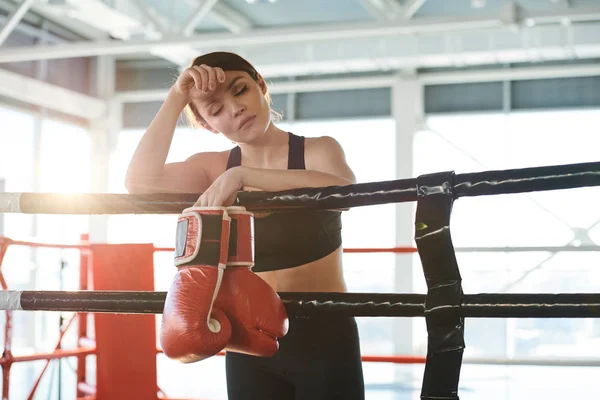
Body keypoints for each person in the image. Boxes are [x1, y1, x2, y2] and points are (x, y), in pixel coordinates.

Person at [125, 51, 365, 399]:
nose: (235, 109)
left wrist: (244, 177)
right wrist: (178, 96)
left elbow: (345, 191)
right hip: (247, 333)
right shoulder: (211, 167)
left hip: (325, 331)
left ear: (260, 86)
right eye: (216, 109)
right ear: (208, 126)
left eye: (240, 90)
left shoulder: (318, 150)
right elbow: (140, 184)